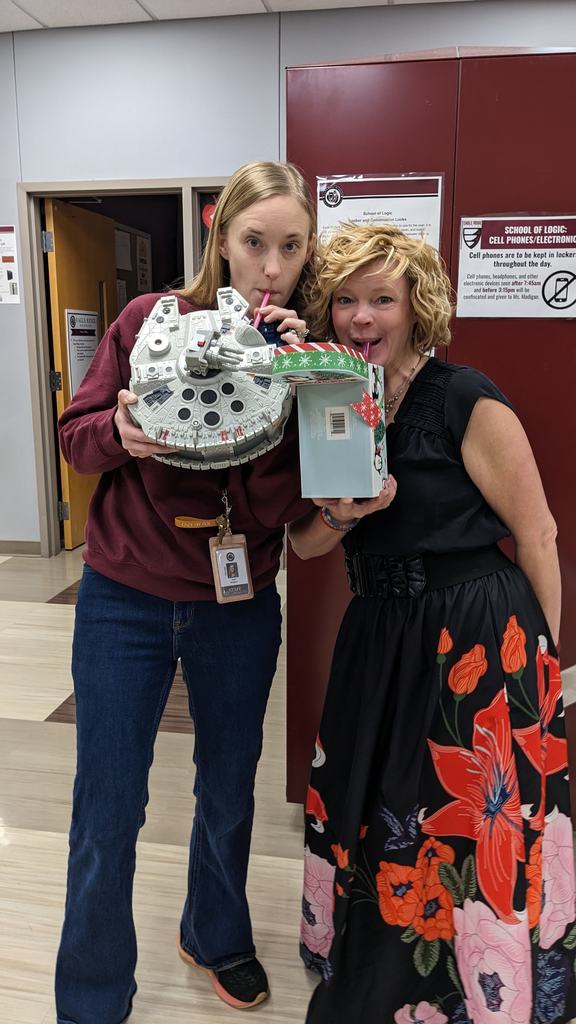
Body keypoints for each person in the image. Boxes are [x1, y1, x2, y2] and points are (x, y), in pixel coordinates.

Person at [289, 223, 576, 1024]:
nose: (361, 317)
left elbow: (539, 534)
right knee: (379, 802)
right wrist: (345, 517)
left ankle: (478, 990)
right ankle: (377, 972)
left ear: (418, 305)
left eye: (383, 298)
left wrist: (541, 670)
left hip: (476, 636)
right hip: (377, 631)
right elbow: (304, 545)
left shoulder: (464, 396)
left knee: (459, 820)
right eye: (345, 299)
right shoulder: (327, 397)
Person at [55, 160, 315, 1024]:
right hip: (123, 596)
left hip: (235, 602)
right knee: (108, 799)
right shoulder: (145, 321)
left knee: (229, 782)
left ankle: (215, 933)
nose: (271, 266)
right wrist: (124, 429)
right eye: (254, 243)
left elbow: (285, 506)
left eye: (290, 246)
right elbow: (78, 440)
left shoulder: (301, 352)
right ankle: (92, 998)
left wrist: (284, 388)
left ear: (308, 251)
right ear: (222, 239)